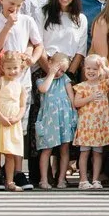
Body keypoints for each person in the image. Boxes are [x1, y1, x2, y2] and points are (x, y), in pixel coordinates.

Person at [0, 30, 31, 192]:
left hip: (13, 121)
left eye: (15, 68)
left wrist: (17, 117)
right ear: (2, 68)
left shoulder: (21, 86)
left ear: (21, 68)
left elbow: (23, 105)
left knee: (10, 153)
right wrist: (2, 117)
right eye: (9, 68)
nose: (12, 71)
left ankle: (10, 181)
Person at [33, 50, 77, 188]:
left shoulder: (65, 80)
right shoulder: (41, 81)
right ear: (50, 63)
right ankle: (44, 179)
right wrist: (51, 73)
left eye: (63, 71)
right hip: (49, 120)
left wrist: (74, 115)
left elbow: (72, 99)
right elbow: (44, 89)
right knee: (47, 149)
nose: (60, 73)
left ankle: (61, 179)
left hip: (64, 119)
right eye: (58, 69)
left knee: (65, 150)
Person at [71, 52, 109, 189]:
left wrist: (104, 67)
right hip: (86, 125)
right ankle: (83, 179)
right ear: (84, 69)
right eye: (88, 68)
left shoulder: (103, 84)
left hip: (100, 126)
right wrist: (89, 98)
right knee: (84, 153)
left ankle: (96, 179)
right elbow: (76, 103)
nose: (91, 71)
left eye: (95, 69)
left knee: (98, 153)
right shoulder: (82, 86)